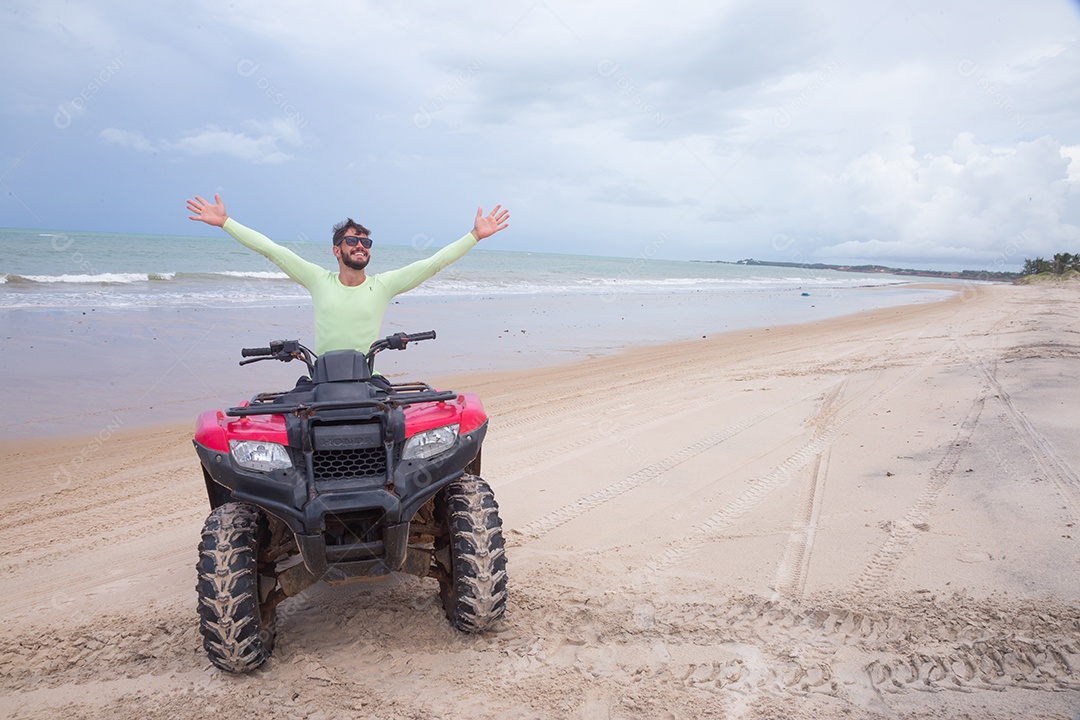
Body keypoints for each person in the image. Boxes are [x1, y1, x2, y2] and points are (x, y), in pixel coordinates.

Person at [186, 193, 509, 392]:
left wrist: (474, 236)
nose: (360, 246)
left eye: (365, 242)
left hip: (369, 379)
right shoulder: (318, 280)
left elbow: (434, 262)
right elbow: (274, 251)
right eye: (352, 241)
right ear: (336, 251)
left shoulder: (382, 285)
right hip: (321, 380)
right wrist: (226, 222)